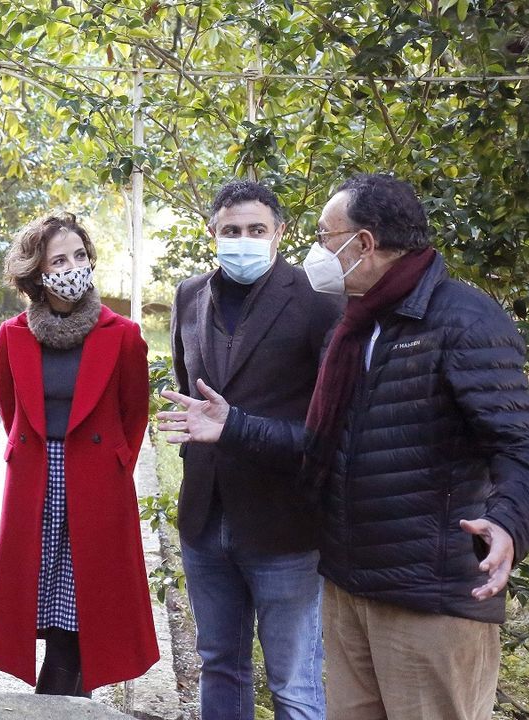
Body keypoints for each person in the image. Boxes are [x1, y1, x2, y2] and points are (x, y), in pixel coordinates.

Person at [158, 174, 529, 720]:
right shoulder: (361, 321)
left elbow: (522, 447)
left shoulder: (462, 318)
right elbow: (331, 440)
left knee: (306, 684)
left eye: (325, 236)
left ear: (362, 243)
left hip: (425, 588)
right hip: (349, 578)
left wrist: (509, 520)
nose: (316, 251)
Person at [169, 181, 341, 719]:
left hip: (284, 524)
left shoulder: (318, 301)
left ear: (279, 234)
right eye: (231, 231)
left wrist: (237, 429)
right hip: (204, 519)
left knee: (293, 680)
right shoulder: (189, 295)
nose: (243, 240)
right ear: (212, 233)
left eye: (256, 230)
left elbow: (328, 429)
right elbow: (191, 389)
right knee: (219, 664)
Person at [0, 212, 158, 697]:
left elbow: (134, 413)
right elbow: (10, 407)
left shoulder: (122, 334)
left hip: (96, 483)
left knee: (85, 603)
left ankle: (55, 701)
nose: (72, 266)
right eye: (59, 259)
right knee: (45, 603)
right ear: (37, 272)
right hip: (37, 482)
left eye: (79, 255)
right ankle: (65, 700)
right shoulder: (12, 334)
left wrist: (116, 463)